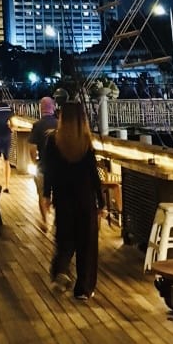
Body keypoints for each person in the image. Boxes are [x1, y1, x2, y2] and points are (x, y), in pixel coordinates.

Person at [41, 102, 104, 300]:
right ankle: (83, 289)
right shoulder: (86, 141)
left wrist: (46, 195)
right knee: (87, 244)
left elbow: (48, 172)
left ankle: (61, 270)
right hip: (85, 199)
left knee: (65, 240)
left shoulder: (53, 140)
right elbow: (94, 175)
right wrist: (101, 203)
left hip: (63, 198)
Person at [28, 97, 59, 220]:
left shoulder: (37, 125)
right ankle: (57, 219)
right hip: (58, 166)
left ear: (41, 108)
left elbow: (32, 148)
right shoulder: (59, 123)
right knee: (58, 193)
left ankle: (45, 220)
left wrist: (34, 162)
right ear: (53, 107)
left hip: (42, 165)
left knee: (41, 193)